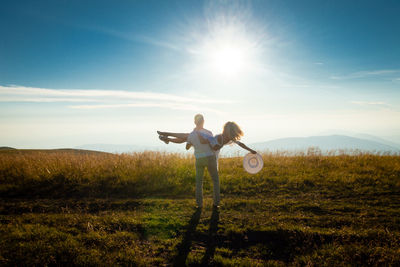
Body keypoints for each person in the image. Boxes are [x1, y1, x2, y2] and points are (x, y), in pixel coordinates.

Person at [158, 114, 219, 209]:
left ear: (195, 122)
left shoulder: (191, 135)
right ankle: (216, 203)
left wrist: (191, 142)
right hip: (209, 158)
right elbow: (214, 146)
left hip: (199, 159)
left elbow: (187, 147)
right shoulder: (208, 133)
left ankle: (199, 205)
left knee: (199, 182)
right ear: (203, 121)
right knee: (215, 180)